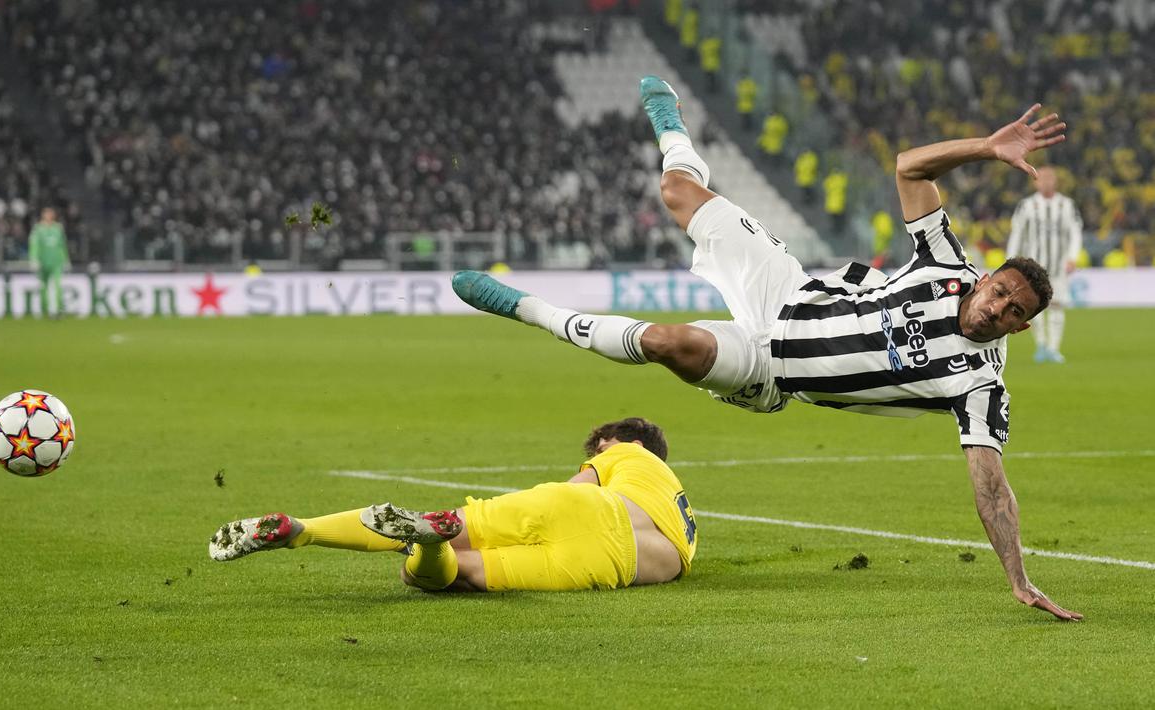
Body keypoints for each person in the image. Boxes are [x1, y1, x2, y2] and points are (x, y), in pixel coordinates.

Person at [453, 76, 1082, 621]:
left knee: (667, 342)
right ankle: (673, 124)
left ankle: (525, 308)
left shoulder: (979, 385)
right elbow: (909, 165)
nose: (997, 307)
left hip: (771, 372)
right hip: (785, 288)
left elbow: (991, 485)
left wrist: (1018, 579)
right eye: (1000, 290)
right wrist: (986, 147)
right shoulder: (945, 262)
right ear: (986, 278)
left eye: (1013, 311)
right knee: (677, 193)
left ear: (1019, 328)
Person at [209, 418, 697, 593]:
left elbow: (579, 486)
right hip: (619, 562)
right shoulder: (685, 523)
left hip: (585, 509)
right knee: (458, 574)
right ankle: (433, 548)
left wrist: (556, 494)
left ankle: (301, 529)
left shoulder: (629, 453)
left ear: (621, 439)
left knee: (419, 525)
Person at [1006, 166, 1083, 363]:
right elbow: (1017, 234)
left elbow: (1075, 233)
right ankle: (1041, 345)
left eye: (1050, 178)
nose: (1046, 182)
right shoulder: (1026, 206)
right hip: (1034, 267)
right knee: (1034, 306)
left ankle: (1054, 348)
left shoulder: (1066, 205)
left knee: (1057, 306)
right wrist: (1012, 259)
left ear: (1055, 181)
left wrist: (1072, 257)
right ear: (1036, 182)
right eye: (1042, 179)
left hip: (1059, 266)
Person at [27, 207, 69, 318]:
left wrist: (66, 259)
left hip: (56, 262)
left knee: (58, 285)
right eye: (47, 214)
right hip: (43, 261)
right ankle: (44, 309)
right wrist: (34, 259)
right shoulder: (38, 229)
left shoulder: (58, 228)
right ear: (43, 215)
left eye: (51, 214)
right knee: (43, 286)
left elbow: (62, 245)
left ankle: (60, 310)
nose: (49, 216)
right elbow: (34, 245)